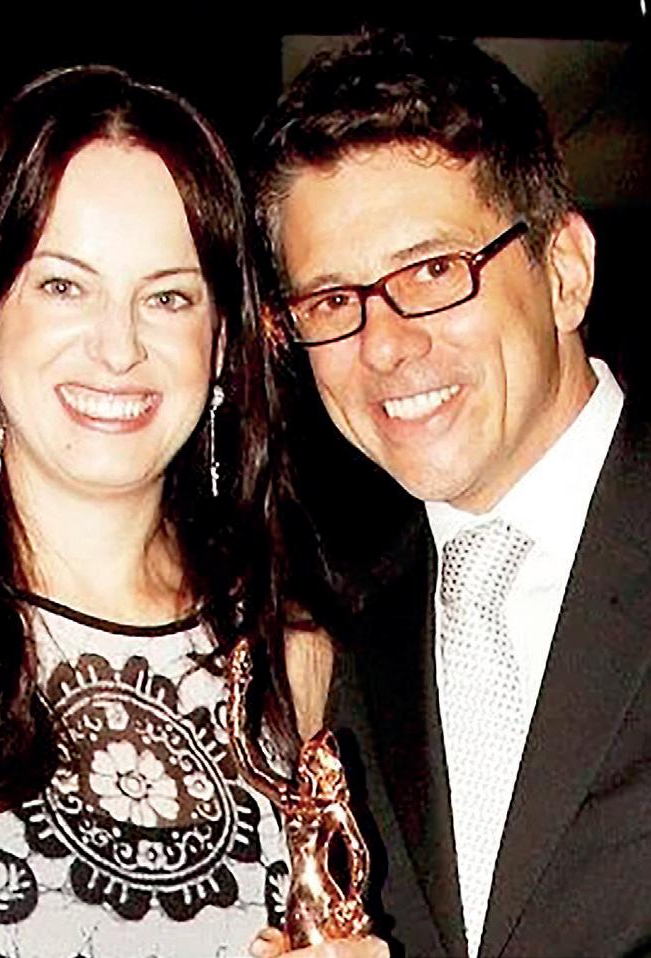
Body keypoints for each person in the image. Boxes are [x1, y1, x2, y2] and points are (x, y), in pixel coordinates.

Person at [251, 31, 651, 958]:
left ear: (564, 272)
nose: (384, 346)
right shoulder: (342, 642)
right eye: (332, 300)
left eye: (434, 271)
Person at [0, 64, 297, 958]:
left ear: (222, 340)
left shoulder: (292, 659)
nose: (119, 347)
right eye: (64, 286)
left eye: (168, 297)